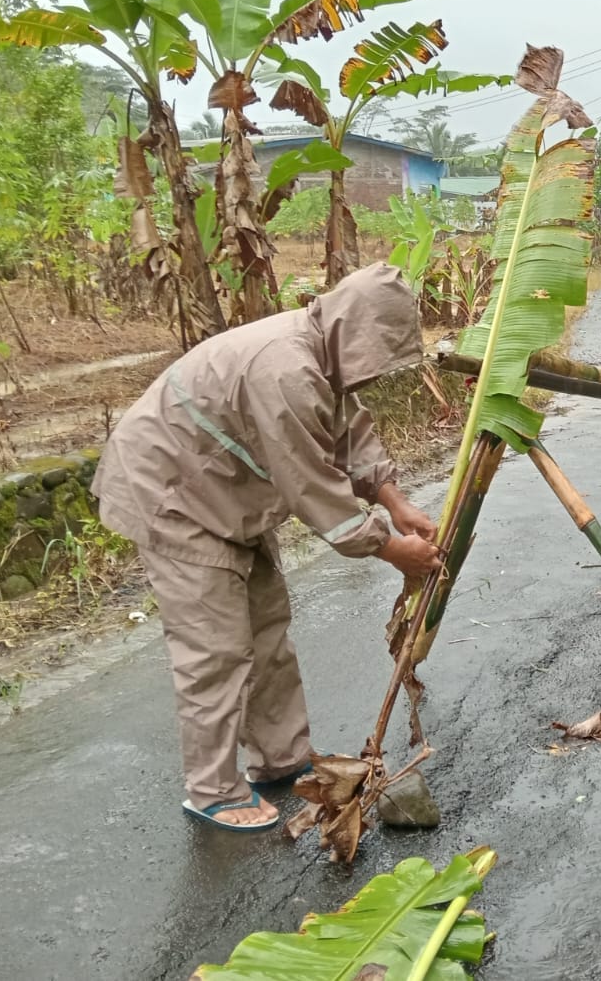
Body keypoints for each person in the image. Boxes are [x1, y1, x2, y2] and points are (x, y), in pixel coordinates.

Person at [91, 263, 443, 833]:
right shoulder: (284, 369)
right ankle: (211, 790)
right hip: (173, 494)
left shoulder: (322, 352)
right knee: (217, 648)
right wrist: (389, 546)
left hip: (225, 494)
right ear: (353, 332)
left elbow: (348, 430)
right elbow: (311, 485)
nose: (374, 371)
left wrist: (395, 500)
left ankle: (281, 758)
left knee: (266, 631)